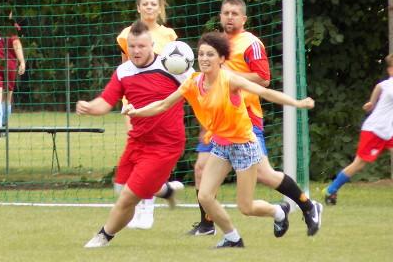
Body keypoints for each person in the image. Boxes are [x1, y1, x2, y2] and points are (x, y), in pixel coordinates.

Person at [124, 31, 315, 248]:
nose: (204, 58)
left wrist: (297, 103)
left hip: (243, 146)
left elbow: (265, 92)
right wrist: (136, 112)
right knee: (205, 196)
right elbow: (162, 104)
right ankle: (233, 238)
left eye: (210, 54)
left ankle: (278, 211)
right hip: (220, 145)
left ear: (222, 58)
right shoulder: (193, 82)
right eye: (201, 54)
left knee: (246, 207)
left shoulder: (229, 80)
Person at [186, 0, 323, 237]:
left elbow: (264, 79)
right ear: (220, 16)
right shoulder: (215, 45)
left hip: (245, 117)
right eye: (226, 13)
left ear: (244, 18)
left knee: (264, 174)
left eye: (234, 13)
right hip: (219, 120)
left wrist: (229, 75)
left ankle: (308, 206)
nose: (229, 17)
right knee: (200, 168)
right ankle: (207, 224)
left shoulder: (251, 43)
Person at [77, 20, 188, 248]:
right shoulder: (123, 71)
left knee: (128, 197)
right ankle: (166, 190)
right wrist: (89, 107)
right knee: (122, 192)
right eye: (132, 46)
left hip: (165, 146)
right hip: (137, 142)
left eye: (141, 46)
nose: (136, 51)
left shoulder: (173, 67)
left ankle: (103, 236)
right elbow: (105, 103)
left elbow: (202, 89)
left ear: (152, 45)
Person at [116, 0, 178, 229]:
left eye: (154, 4)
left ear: (159, 7)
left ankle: (148, 210)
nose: (149, 8)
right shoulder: (127, 35)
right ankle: (139, 207)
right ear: (138, 7)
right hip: (133, 102)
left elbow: (175, 71)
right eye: (145, 4)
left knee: (151, 157)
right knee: (136, 154)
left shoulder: (169, 36)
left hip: (160, 103)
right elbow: (124, 69)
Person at [324, 53, 393, 205]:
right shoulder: (390, 86)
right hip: (375, 130)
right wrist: (372, 103)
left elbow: (378, 87)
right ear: (390, 70)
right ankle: (331, 189)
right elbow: (381, 87)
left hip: (388, 131)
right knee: (359, 164)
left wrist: (372, 102)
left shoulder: (386, 85)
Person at [0, 12, 26, 133]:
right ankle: (4, 126)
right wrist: (22, 61)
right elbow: (16, 43)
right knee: (7, 98)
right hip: (9, 64)